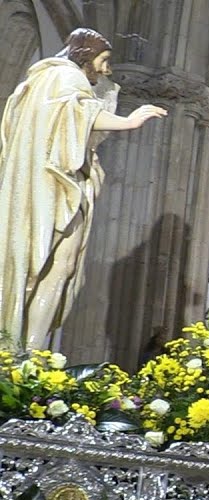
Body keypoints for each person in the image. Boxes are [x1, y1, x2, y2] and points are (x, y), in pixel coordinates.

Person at [0, 28, 167, 350]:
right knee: (40, 264)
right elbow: (76, 114)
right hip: (49, 186)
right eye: (103, 60)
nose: (106, 69)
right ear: (83, 55)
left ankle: (32, 354)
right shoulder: (60, 76)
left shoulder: (68, 82)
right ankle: (15, 351)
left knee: (64, 267)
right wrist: (128, 122)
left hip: (72, 183)